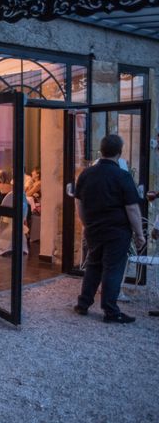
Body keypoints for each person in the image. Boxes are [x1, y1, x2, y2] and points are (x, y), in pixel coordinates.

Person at [73, 134, 144, 323]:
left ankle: (83, 304)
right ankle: (111, 311)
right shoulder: (122, 176)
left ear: (101, 151)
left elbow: (79, 203)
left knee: (94, 266)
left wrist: (86, 224)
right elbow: (132, 208)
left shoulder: (86, 174)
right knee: (113, 269)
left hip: (94, 228)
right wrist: (139, 234)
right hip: (117, 231)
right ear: (119, 153)